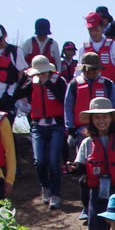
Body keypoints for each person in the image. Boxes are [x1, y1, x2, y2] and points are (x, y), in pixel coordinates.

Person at [70, 96, 115, 230]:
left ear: (111, 118)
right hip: (97, 192)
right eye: (97, 118)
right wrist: (72, 169)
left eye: (105, 117)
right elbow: (80, 168)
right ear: (91, 120)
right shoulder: (87, 143)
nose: (101, 121)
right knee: (97, 226)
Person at [21, 55, 69, 207]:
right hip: (38, 126)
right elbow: (16, 94)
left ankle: (56, 194)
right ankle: (45, 187)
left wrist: (48, 84)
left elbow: (63, 98)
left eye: (44, 72)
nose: (41, 75)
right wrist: (23, 79)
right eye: (38, 73)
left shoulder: (58, 81)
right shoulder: (32, 83)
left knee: (54, 161)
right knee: (40, 161)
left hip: (56, 125)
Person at [63, 52, 115, 146]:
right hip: (81, 131)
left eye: (94, 69)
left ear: (99, 69)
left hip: (105, 128)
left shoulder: (108, 84)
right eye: (88, 70)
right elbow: (68, 108)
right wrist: (70, 131)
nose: (91, 72)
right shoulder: (74, 84)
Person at [83, 11, 115, 88]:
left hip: (109, 89)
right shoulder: (84, 48)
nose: (93, 33)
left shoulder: (113, 45)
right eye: (90, 30)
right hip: (89, 89)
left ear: (102, 27)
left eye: (96, 29)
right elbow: (79, 70)